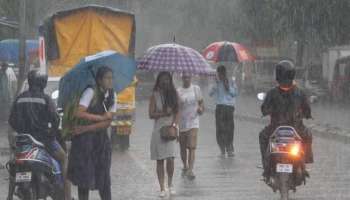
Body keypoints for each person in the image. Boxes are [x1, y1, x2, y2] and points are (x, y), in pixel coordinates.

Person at [8, 70, 72, 200]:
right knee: (64, 159)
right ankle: (67, 196)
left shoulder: (19, 98)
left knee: (14, 164)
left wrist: (22, 130)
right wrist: (51, 132)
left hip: (23, 142)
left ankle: (9, 195)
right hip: (43, 140)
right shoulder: (45, 99)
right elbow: (55, 119)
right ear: (43, 83)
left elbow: (12, 121)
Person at [259, 60, 314, 180]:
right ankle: (305, 161)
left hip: (275, 128)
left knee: (263, 136)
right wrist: (307, 114)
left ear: (277, 75)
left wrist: (268, 111)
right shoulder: (300, 92)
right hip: (297, 128)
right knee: (308, 135)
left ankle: (266, 166)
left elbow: (264, 109)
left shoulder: (272, 93)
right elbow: (307, 110)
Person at [67, 66, 116, 200]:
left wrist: (87, 128)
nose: (110, 81)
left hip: (101, 142)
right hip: (85, 143)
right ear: (99, 80)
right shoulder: (90, 91)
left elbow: (108, 121)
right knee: (84, 179)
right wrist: (100, 117)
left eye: (112, 78)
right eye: (107, 78)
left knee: (104, 179)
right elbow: (79, 112)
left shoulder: (112, 94)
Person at [149, 71, 179, 197]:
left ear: (170, 81)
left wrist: (174, 126)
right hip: (158, 130)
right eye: (162, 79)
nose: (165, 81)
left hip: (170, 129)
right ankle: (162, 187)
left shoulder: (174, 94)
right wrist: (163, 113)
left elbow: (178, 113)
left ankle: (170, 184)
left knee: (171, 158)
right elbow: (151, 114)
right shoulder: (154, 96)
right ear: (159, 81)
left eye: (167, 79)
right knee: (160, 160)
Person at [177, 74, 203, 180]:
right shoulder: (178, 91)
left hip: (194, 122)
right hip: (182, 123)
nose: (187, 79)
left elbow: (201, 103)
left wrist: (201, 109)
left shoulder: (196, 89)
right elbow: (176, 108)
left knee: (192, 147)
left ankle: (191, 170)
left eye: (188, 77)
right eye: (185, 77)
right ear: (182, 78)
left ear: (191, 78)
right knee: (183, 147)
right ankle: (185, 166)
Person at [209, 65, 238, 157]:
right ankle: (222, 149)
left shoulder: (231, 82)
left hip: (229, 108)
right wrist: (216, 85)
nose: (220, 75)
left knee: (229, 129)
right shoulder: (216, 83)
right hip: (220, 107)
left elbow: (235, 93)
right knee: (220, 129)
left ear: (225, 73)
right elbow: (210, 94)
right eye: (219, 73)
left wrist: (228, 87)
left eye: (222, 73)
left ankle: (229, 148)